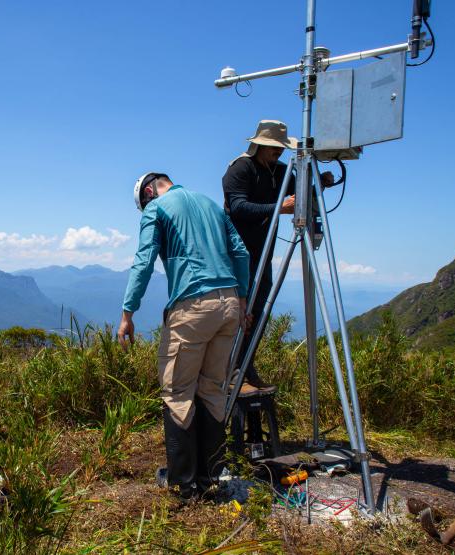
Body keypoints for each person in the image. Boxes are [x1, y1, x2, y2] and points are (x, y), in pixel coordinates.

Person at [119, 172, 250, 500]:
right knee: (212, 390)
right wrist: (243, 297)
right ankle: (210, 479)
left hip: (193, 306)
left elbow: (144, 262)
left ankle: (183, 485)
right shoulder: (210, 204)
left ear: (149, 191)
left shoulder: (157, 208)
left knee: (177, 392)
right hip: (230, 303)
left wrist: (127, 314)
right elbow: (241, 253)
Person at [222, 120, 333, 395]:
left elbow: (300, 189)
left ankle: (245, 366)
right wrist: (279, 208)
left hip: (263, 250)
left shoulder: (280, 171)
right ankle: (232, 372)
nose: (278, 153)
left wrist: (322, 182)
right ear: (259, 145)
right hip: (237, 251)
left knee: (258, 308)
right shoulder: (240, 169)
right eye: (273, 149)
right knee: (240, 311)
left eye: (280, 149)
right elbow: (237, 207)